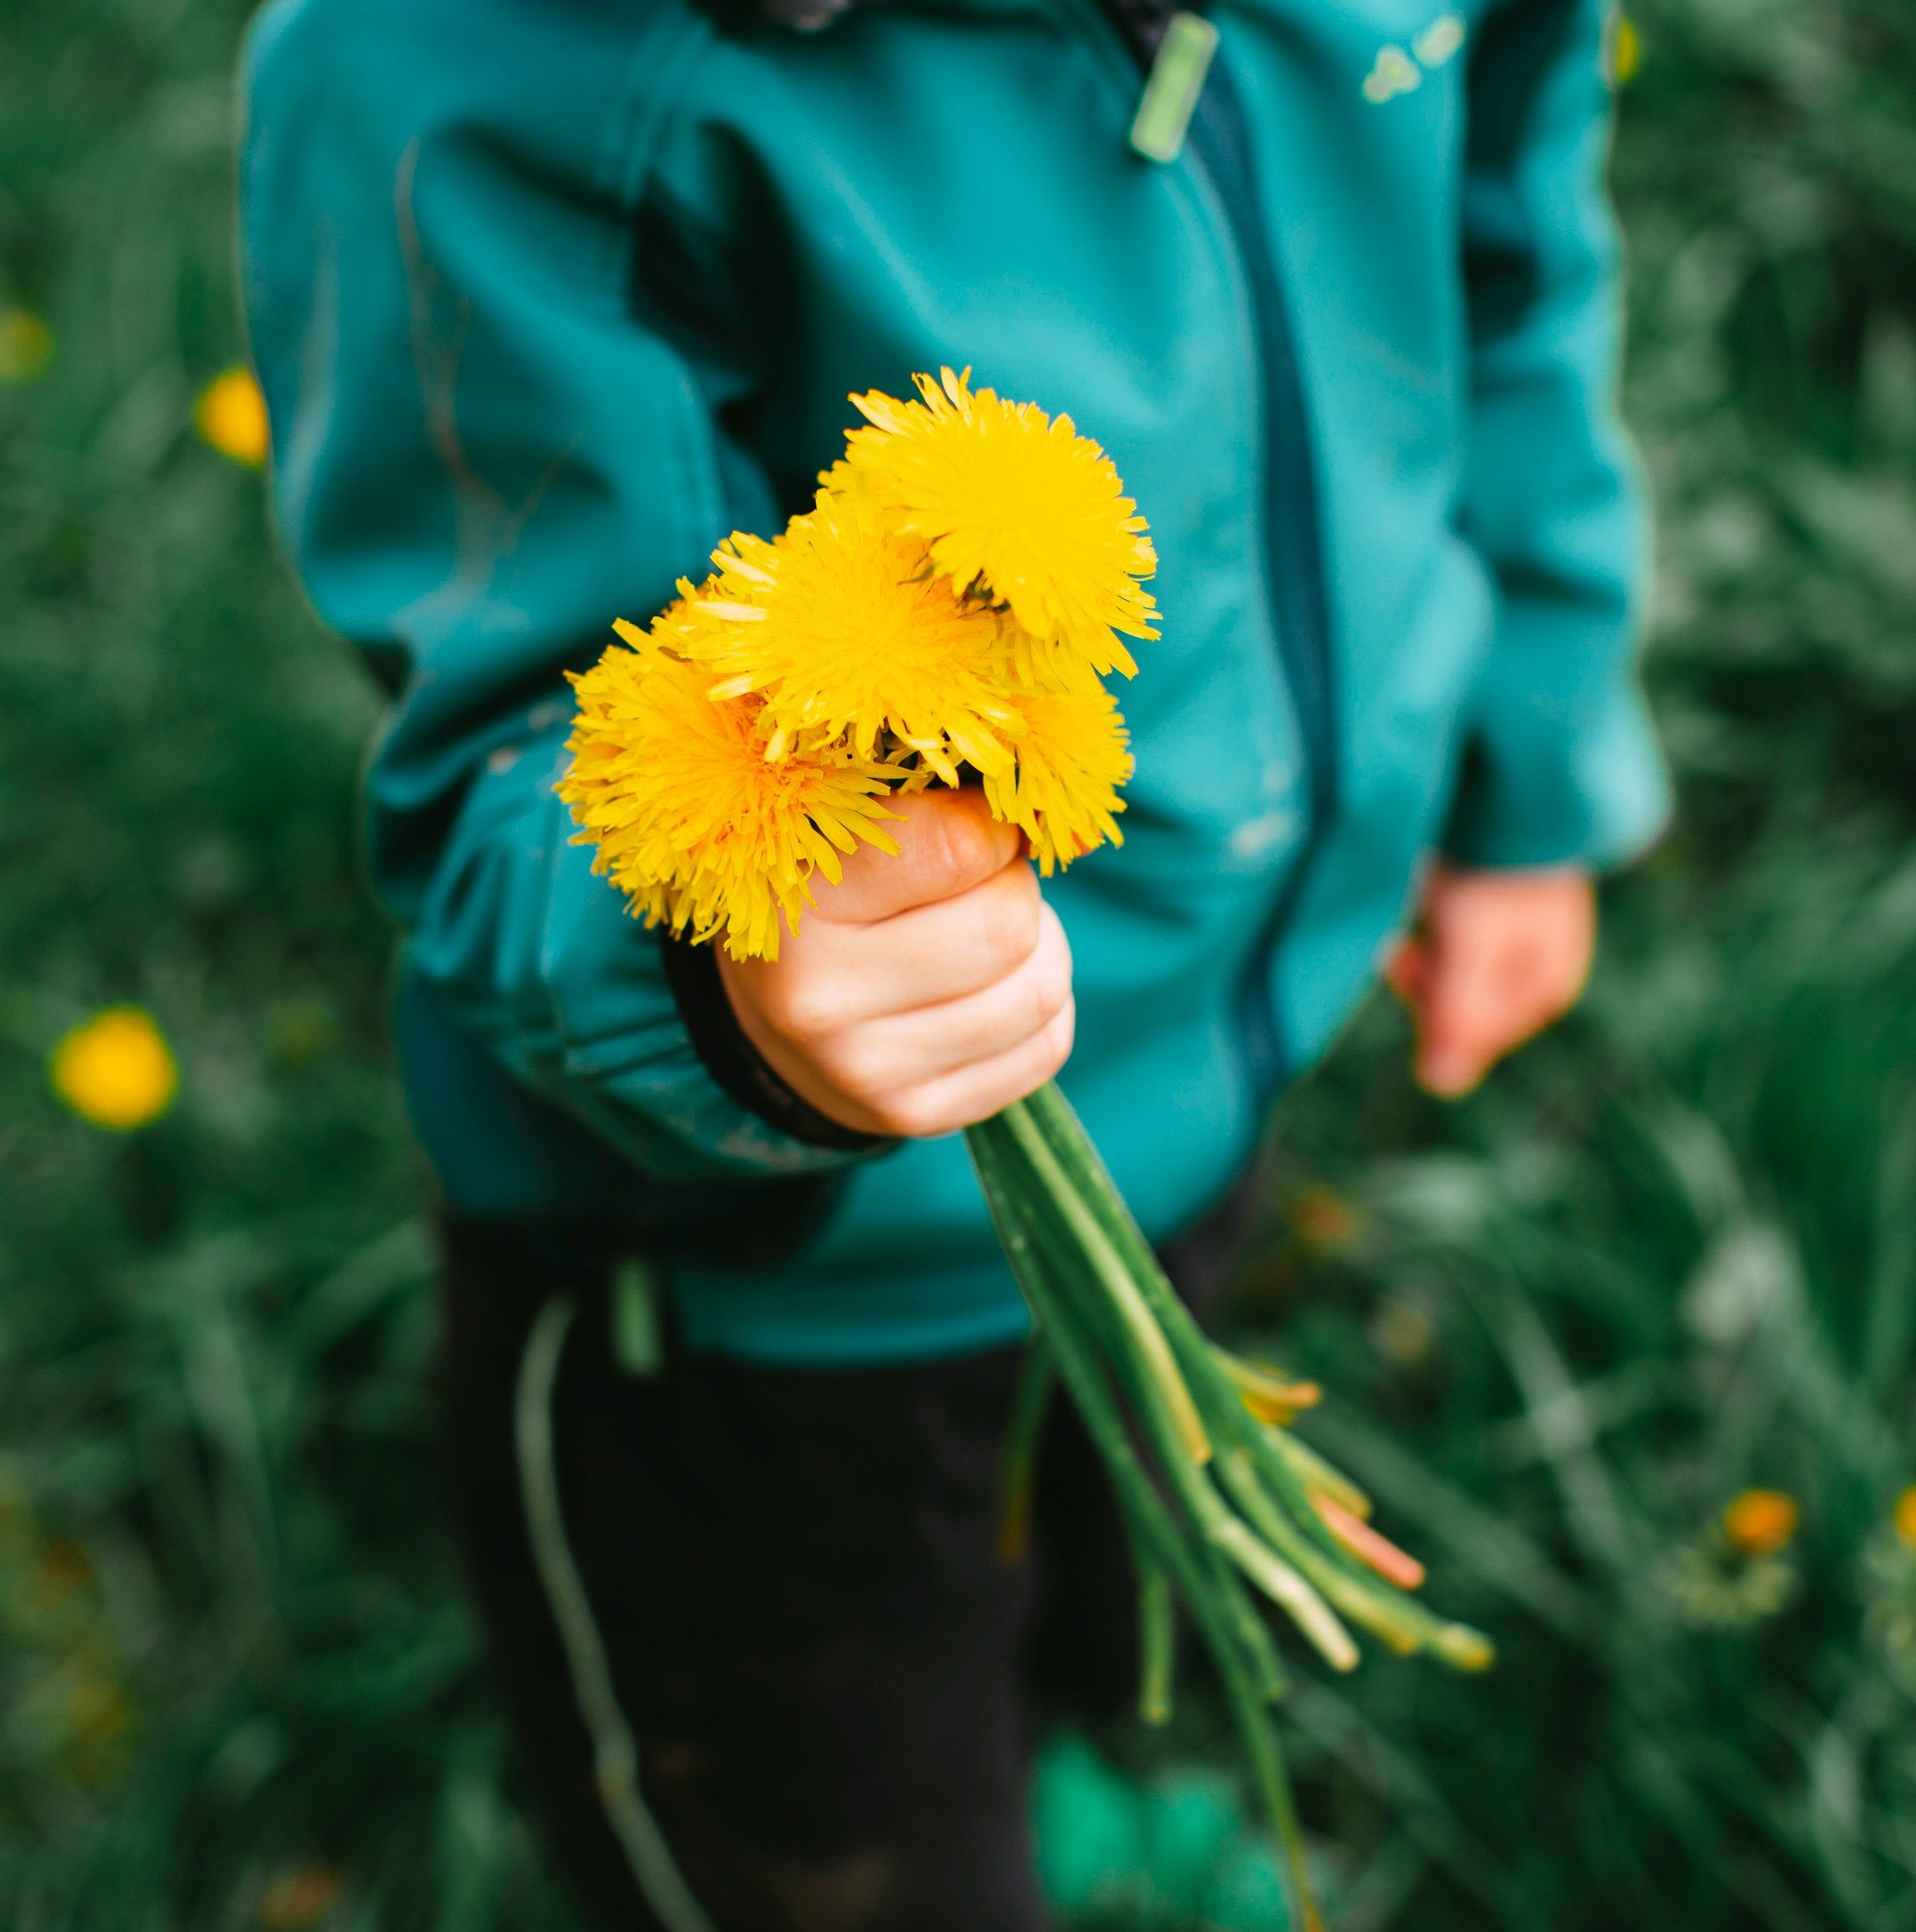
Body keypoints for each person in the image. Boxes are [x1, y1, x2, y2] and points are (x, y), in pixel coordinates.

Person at [239, 1, 1663, 1926]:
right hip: (754, 1299)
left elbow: (1506, 234)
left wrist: (1524, 751)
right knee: (817, 1808)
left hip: (1200, 1069)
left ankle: (1054, 1785)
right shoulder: (481, 72)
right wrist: (735, 976)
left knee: (1094, 1553)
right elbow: (509, 746)